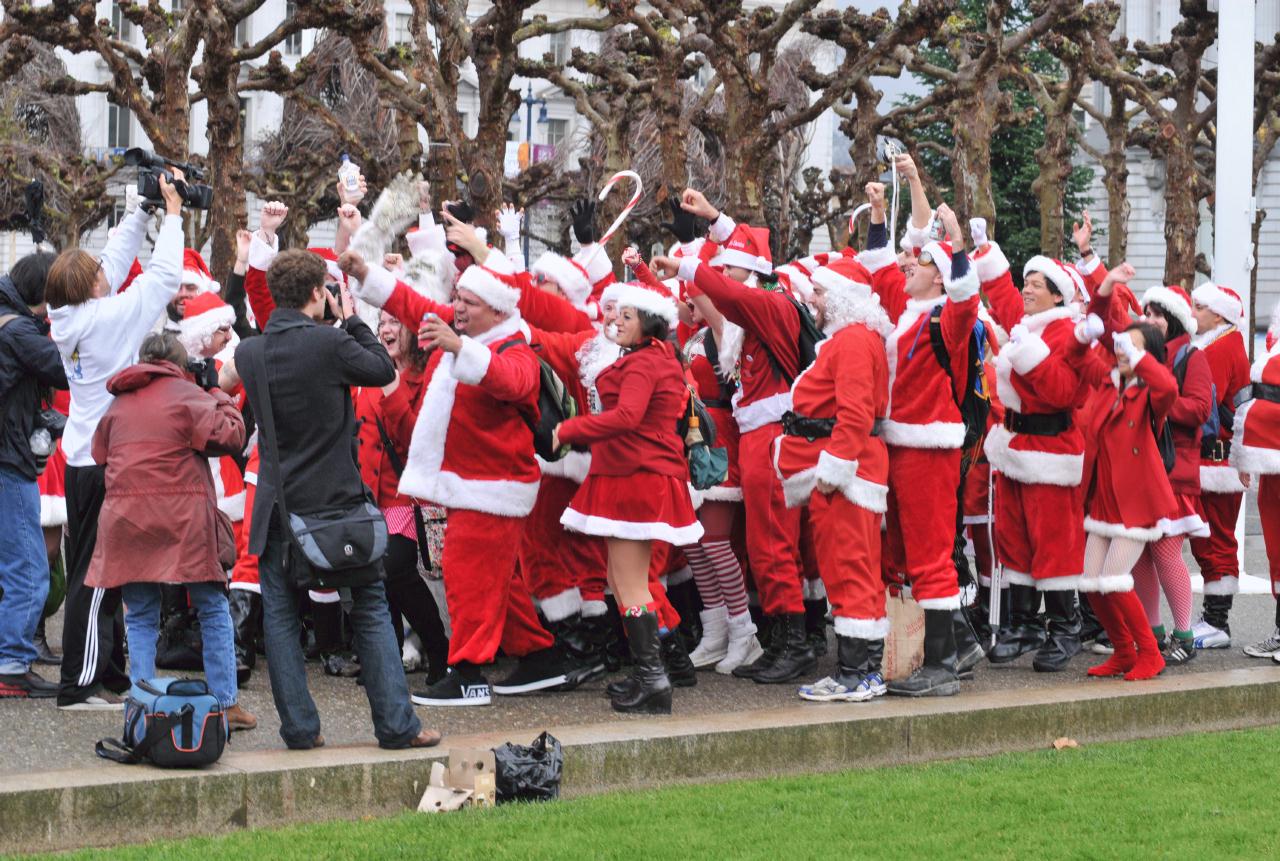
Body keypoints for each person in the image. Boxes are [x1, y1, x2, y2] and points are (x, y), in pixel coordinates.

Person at [342, 240, 574, 708]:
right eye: (459, 300)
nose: (458, 308)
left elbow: (514, 381)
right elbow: (412, 305)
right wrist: (366, 272)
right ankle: (540, 653)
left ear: (496, 308)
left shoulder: (515, 345)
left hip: (493, 488)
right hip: (471, 484)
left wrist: (461, 348)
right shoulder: (466, 328)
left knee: (468, 577)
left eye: (468, 303)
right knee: (497, 584)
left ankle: (467, 672)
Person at [235, 249, 439, 750]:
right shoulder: (330, 343)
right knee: (369, 608)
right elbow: (376, 368)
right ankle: (396, 725)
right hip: (335, 504)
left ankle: (300, 731)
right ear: (316, 294)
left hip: (276, 505)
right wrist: (351, 319)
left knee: (281, 618)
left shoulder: (249, 352)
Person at [650, 190, 815, 686]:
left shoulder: (771, 303)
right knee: (763, 545)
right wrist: (711, 221)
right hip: (755, 433)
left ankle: (794, 641)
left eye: (730, 268)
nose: (722, 276)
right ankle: (781, 637)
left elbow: (733, 294)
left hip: (771, 435)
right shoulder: (756, 308)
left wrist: (686, 268)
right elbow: (735, 282)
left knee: (774, 543)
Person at [47, 172, 186, 710]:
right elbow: (163, 275)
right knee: (97, 573)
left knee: (104, 569)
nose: (107, 277)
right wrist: (172, 213)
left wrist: (140, 210)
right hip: (107, 459)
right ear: (91, 290)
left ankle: (103, 672)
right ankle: (76, 685)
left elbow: (110, 264)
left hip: (85, 453)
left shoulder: (67, 314)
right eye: (99, 277)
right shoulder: (107, 320)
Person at [87, 332, 256, 729]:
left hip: (127, 521)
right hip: (183, 521)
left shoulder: (119, 403)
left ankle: (142, 707)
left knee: (142, 616)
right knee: (212, 607)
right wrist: (214, 390)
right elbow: (232, 434)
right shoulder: (188, 394)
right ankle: (226, 705)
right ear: (180, 366)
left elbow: (99, 452)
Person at [552, 280, 704, 713]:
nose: (615, 321)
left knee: (631, 584)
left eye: (627, 316)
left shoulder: (645, 363)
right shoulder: (649, 358)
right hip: (628, 473)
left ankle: (653, 680)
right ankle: (648, 675)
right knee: (622, 583)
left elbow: (627, 417)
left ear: (648, 323)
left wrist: (569, 430)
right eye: (615, 313)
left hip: (638, 476)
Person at [859, 179, 981, 695]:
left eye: (920, 262)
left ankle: (943, 665)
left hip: (929, 449)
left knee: (931, 556)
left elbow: (967, 299)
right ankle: (953, 645)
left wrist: (955, 243)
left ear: (939, 277)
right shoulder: (908, 310)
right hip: (901, 447)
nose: (908, 265)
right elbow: (878, 265)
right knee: (903, 552)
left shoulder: (945, 319)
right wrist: (878, 215)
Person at [773, 256, 893, 702]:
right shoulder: (851, 340)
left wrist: (833, 470)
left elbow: (856, 413)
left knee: (850, 570)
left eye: (820, 293)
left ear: (842, 297)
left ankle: (858, 674)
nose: (812, 300)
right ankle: (858, 671)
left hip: (846, 474)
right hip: (843, 472)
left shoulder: (854, 342)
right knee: (847, 570)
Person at [1075, 321, 1176, 681]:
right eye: (1121, 344)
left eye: (1132, 347)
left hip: (1138, 503)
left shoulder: (1151, 392)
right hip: (1103, 501)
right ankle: (1122, 651)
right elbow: (1081, 357)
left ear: (1148, 355)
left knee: (1115, 578)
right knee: (1090, 582)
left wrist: (1141, 359)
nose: (1123, 351)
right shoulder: (1108, 385)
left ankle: (1150, 653)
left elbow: (1168, 385)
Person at [0, 251, 68, 698]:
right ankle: (12, 663)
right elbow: (65, 370)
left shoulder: (7, 320)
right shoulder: (20, 330)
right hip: (9, 462)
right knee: (28, 568)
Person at [1186, 283, 1251, 648]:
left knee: (1216, 541)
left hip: (1216, 460)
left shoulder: (1219, 347)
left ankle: (1217, 622)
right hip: (1216, 460)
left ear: (1220, 315)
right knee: (1210, 540)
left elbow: (1202, 405)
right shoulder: (1221, 344)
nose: (1193, 312)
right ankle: (1214, 619)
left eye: (1199, 306)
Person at [1232, 299, 1280, 661]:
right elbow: (1254, 402)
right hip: (1270, 464)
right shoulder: (1271, 349)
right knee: (1276, 551)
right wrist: (1245, 453)